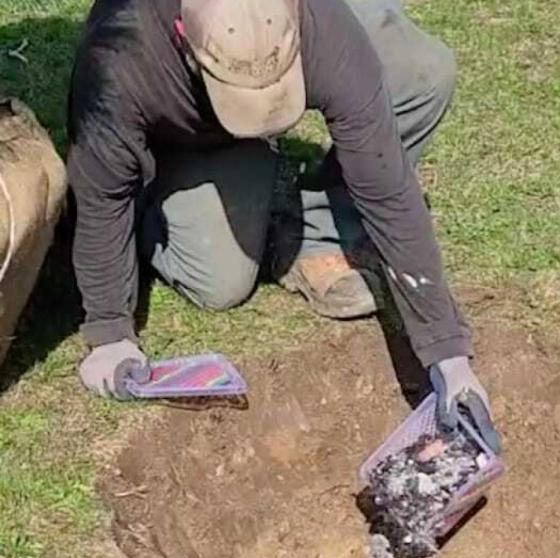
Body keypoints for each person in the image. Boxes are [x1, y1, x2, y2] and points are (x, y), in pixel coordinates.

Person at [66, 0, 500, 451]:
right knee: (219, 282)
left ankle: (312, 228)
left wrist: (448, 357)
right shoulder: (122, 60)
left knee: (420, 71)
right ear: (182, 37)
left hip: (306, 39)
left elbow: (389, 190)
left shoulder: (321, 26)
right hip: (190, 136)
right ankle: (196, 189)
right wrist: (110, 331)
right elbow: (100, 198)